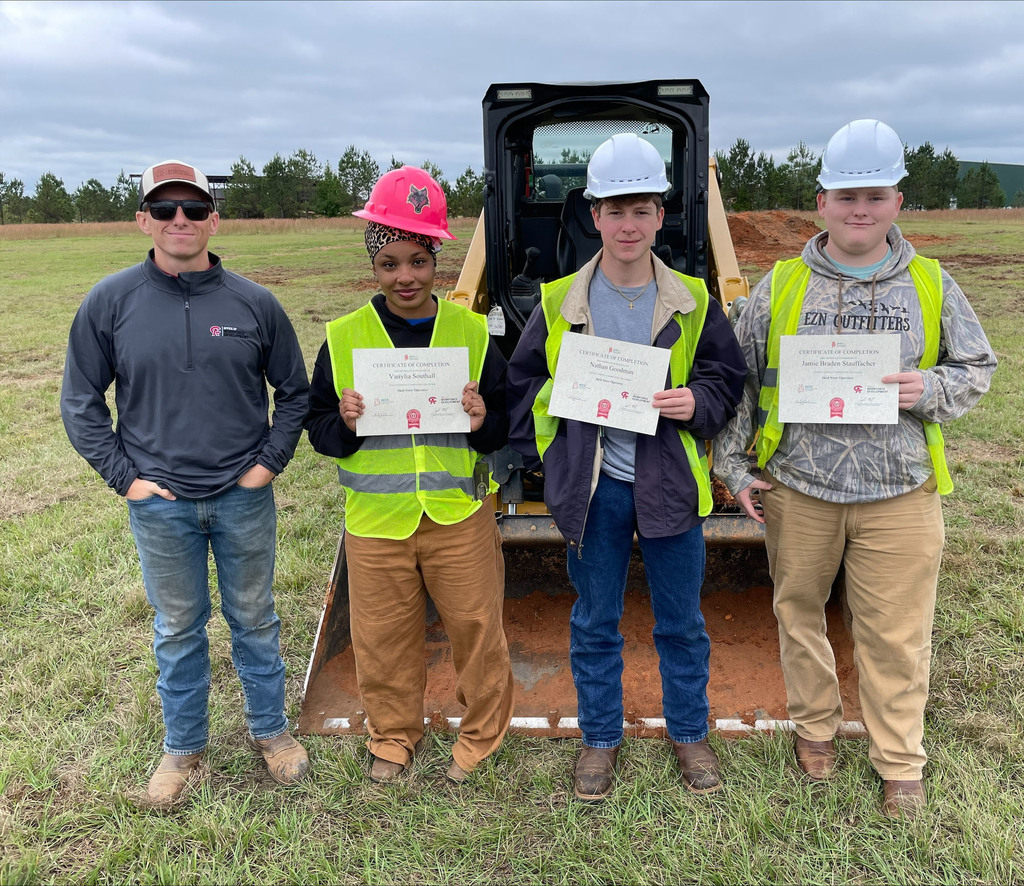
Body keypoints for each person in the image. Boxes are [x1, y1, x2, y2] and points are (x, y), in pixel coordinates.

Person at [713, 120, 997, 819]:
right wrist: (733, 468)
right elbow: (738, 382)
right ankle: (815, 730)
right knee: (798, 612)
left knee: (897, 629)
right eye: (846, 196)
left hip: (900, 493)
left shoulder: (932, 284)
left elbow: (978, 368)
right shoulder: (781, 285)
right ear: (822, 202)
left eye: (873, 195)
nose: (859, 209)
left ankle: (900, 760)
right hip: (799, 490)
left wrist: (925, 388)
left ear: (897, 201)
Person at [60, 160, 311, 808]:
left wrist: (265, 467)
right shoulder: (109, 303)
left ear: (212, 219)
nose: (180, 220)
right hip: (160, 505)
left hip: (242, 496)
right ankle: (184, 749)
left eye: (193, 209)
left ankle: (272, 733)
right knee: (177, 627)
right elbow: (81, 401)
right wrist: (127, 480)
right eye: (165, 208)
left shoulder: (254, 303)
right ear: (143, 218)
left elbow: (294, 394)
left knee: (254, 619)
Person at [506, 134, 747, 801]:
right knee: (594, 621)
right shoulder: (559, 301)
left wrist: (697, 400)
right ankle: (599, 739)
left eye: (641, 208)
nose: (628, 223)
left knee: (681, 623)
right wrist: (552, 457)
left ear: (661, 214)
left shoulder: (694, 300)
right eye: (615, 210)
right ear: (593, 215)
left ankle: (690, 732)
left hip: (669, 487)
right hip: (596, 491)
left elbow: (727, 376)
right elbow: (522, 386)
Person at [304, 166, 515, 784]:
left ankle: (480, 735)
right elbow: (318, 430)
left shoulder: (471, 333)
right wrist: (342, 422)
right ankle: (393, 736)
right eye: (390, 262)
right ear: (374, 265)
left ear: (437, 261)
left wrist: (482, 419)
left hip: (458, 515)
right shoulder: (344, 339)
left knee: (477, 628)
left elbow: (508, 424)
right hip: (377, 521)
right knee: (383, 637)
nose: (405, 277)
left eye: (418, 261)